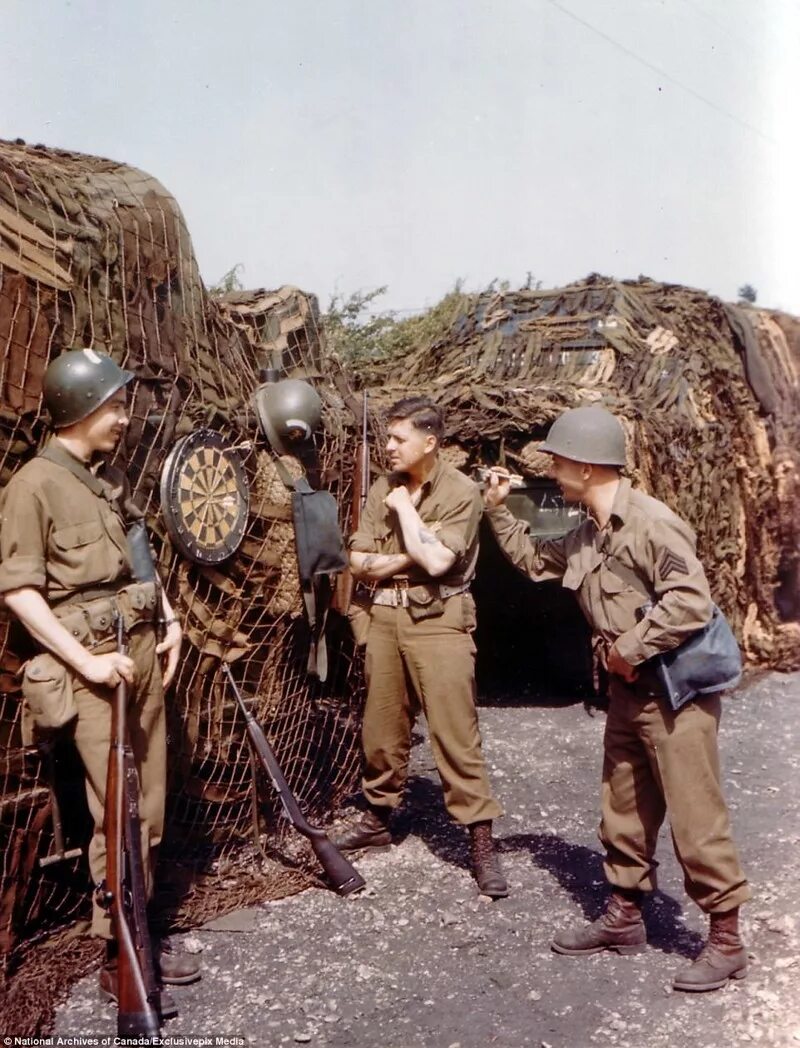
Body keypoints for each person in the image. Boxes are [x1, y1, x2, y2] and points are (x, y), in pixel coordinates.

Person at [483, 404, 750, 992]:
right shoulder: (584, 530)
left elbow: (690, 602)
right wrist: (500, 514)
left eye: (557, 461)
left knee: (696, 818)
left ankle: (727, 939)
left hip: (674, 693)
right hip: (629, 694)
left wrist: (629, 647)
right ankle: (625, 917)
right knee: (622, 809)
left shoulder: (653, 524)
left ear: (584, 465)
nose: (551, 471)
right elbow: (533, 562)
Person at [0, 348, 200, 1013]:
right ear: (82, 409)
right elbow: (21, 592)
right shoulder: (33, 485)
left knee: (148, 807)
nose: (124, 418)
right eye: (114, 406)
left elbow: (133, 556)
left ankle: (136, 936)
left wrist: (167, 617)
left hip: (136, 653)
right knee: (117, 813)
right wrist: (85, 663)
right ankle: (121, 957)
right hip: (93, 669)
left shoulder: (101, 477)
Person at [334, 396, 507, 898]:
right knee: (382, 726)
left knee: (455, 733)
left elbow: (437, 565)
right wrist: (406, 555)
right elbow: (359, 560)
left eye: (398, 439)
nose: (388, 447)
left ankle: (479, 841)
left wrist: (406, 511)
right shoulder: (379, 487)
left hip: (439, 620)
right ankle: (378, 817)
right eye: (387, 438)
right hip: (385, 617)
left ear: (429, 442)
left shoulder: (461, 492)